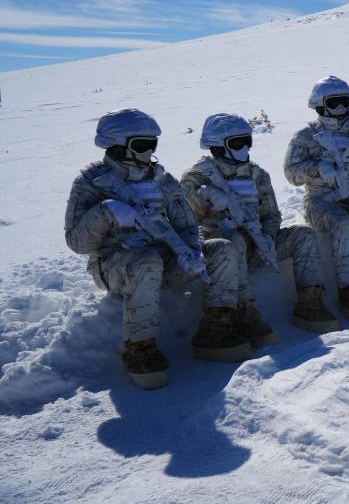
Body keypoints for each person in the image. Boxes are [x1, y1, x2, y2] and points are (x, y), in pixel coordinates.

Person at [64, 108, 249, 388]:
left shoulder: (162, 180)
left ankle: (216, 329)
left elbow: (185, 223)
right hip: (114, 265)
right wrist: (105, 213)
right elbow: (77, 242)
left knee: (222, 249)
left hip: (163, 258)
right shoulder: (92, 182)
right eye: (142, 145)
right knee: (146, 260)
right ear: (117, 144)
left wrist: (192, 250)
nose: (149, 152)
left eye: (152, 144)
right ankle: (140, 349)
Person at [180, 113, 341, 343]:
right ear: (217, 147)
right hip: (221, 252)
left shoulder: (257, 175)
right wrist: (204, 199)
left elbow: (271, 214)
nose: (244, 148)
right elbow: (185, 223)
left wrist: (266, 235)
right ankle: (234, 314)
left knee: (303, 235)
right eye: (236, 143)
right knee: (234, 242)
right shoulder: (196, 178)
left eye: (247, 141)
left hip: (257, 243)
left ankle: (310, 301)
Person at [283, 76, 349, 323]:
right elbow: (291, 173)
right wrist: (317, 168)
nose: (341, 109)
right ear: (320, 105)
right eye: (334, 103)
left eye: (345, 102)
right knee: (342, 222)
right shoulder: (306, 136)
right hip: (320, 201)